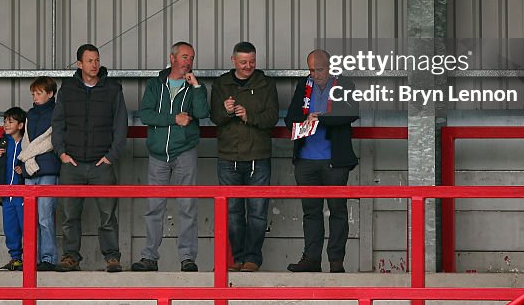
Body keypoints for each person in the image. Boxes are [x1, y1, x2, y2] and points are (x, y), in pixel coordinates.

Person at [131, 41, 210, 273]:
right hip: (157, 154)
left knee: (188, 206)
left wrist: (196, 87)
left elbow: (203, 113)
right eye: (185, 57)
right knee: (154, 206)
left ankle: (187, 257)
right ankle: (149, 257)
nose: (189, 62)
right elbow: (145, 115)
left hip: (185, 151)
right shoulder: (156, 85)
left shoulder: (195, 86)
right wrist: (173, 118)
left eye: (192, 58)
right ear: (172, 58)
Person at [51, 43, 128, 273]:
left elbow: (120, 125)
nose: (94, 65)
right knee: (69, 215)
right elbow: (58, 124)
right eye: (89, 61)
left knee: (107, 215)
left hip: (101, 164)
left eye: (97, 60)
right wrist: (61, 153)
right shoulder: (67, 90)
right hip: (72, 164)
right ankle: (71, 257)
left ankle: (112, 257)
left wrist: (111, 156)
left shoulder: (113, 90)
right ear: (79, 64)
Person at [283, 49, 359, 273]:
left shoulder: (344, 84)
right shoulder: (303, 86)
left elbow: (352, 112)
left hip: (334, 160)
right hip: (306, 160)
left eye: (319, 69)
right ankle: (311, 259)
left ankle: (336, 261)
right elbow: (290, 119)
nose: (315, 74)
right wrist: (304, 120)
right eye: (311, 70)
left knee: (337, 211)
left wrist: (322, 118)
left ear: (330, 67)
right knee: (311, 212)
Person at [209, 41, 280, 272]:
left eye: (252, 61)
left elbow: (272, 118)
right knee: (232, 213)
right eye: (243, 62)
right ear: (233, 61)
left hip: (258, 157)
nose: (248, 66)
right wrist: (227, 111)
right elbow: (214, 118)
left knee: (258, 212)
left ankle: (252, 259)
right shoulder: (221, 83)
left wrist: (250, 117)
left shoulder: (267, 84)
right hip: (228, 156)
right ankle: (237, 258)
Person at [18, 76, 60, 271]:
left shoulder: (58, 112)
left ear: (50, 93)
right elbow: (27, 140)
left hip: (49, 170)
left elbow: (52, 141)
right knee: (30, 218)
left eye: (39, 93)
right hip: (31, 171)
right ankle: (30, 259)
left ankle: (48, 258)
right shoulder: (30, 114)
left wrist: (26, 155)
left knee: (45, 216)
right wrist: (28, 158)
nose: (35, 96)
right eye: (33, 93)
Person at [0, 106, 27, 271]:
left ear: (20, 125)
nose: (6, 124)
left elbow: (33, 163)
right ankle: (15, 258)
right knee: (10, 227)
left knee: (25, 226)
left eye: (10, 121)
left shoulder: (27, 142)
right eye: (5, 121)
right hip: (6, 194)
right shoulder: (3, 142)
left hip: (22, 193)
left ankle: (31, 258)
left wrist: (23, 170)